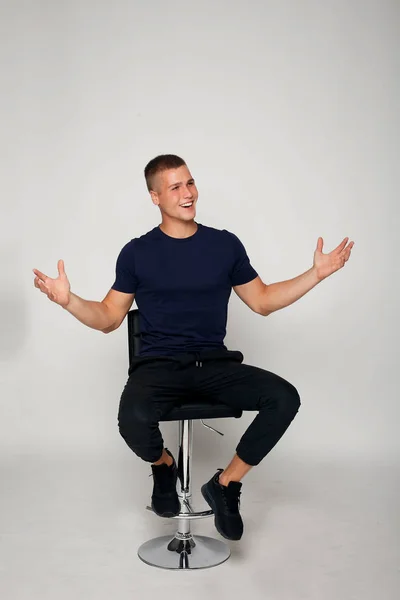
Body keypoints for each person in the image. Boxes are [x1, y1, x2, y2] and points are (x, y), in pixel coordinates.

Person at [33, 154, 354, 541]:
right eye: (175, 187)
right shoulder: (137, 252)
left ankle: (225, 485)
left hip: (214, 364)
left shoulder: (224, 244)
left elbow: (263, 301)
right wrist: (69, 301)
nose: (188, 193)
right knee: (131, 419)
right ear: (155, 197)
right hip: (160, 366)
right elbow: (108, 318)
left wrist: (316, 274)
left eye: (190, 183)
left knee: (284, 398)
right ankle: (164, 465)